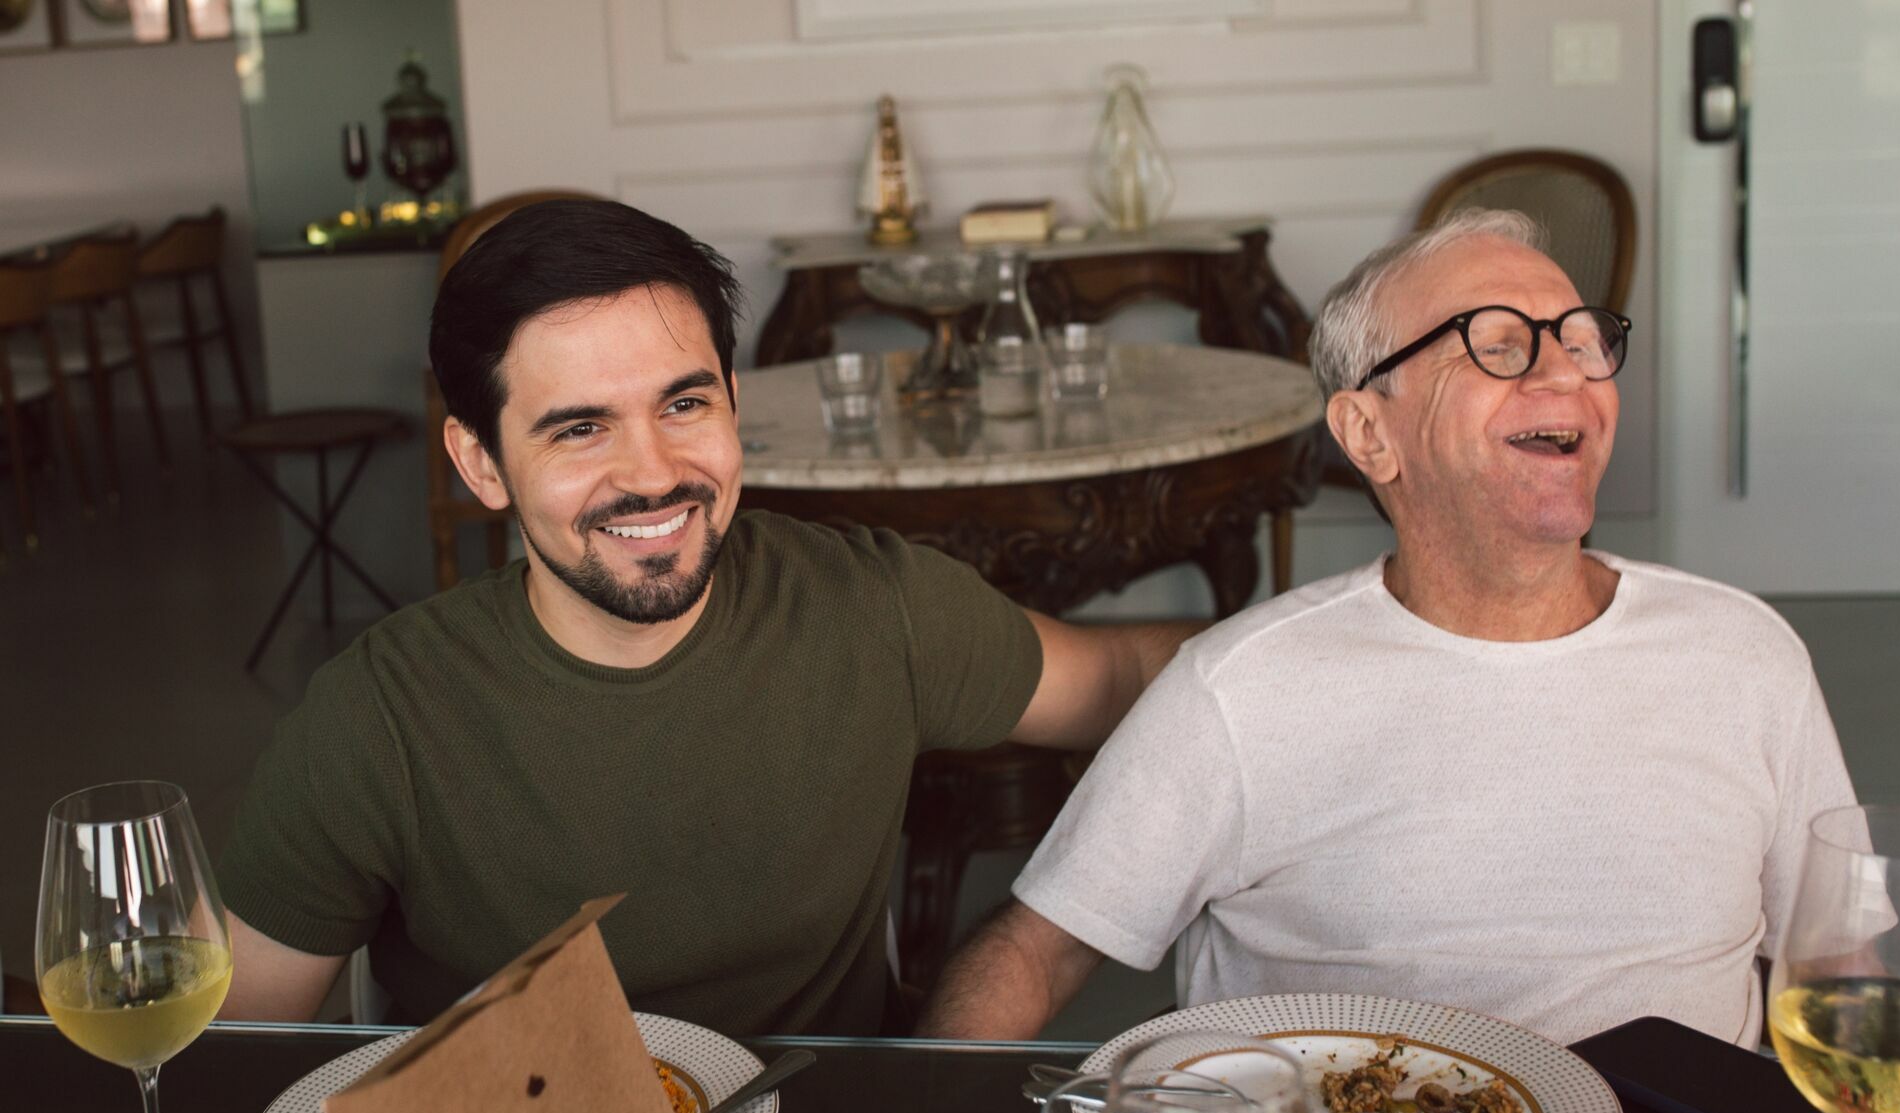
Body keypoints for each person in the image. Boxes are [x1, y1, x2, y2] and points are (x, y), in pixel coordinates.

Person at [215, 199, 1197, 1036]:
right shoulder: (376, 720)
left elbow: (1135, 678)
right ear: (481, 463)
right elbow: (225, 1059)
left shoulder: (872, 608)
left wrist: (1318, 636)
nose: (652, 474)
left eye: (683, 405)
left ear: (732, 399)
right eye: (581, 428)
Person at [920, 209, 1855, 1048]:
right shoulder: (1240, 691)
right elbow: (1033, 954)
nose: (1566, 372)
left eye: (1583, 340)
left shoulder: (1747, 656)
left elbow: (1841, 970)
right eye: (1498, 345)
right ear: (1369, 434)